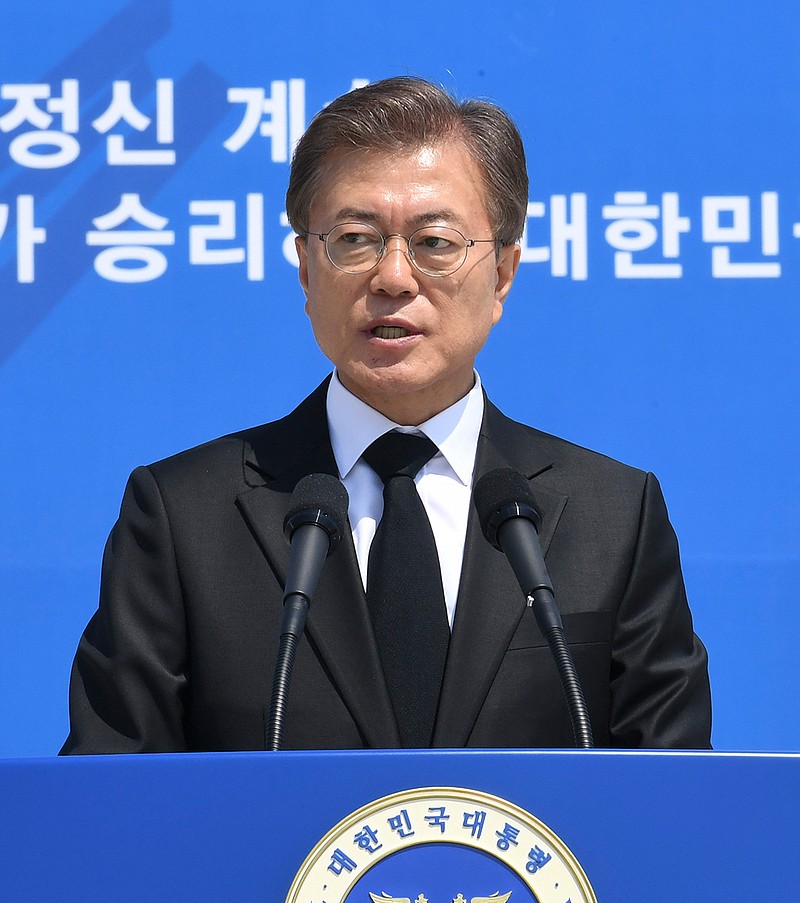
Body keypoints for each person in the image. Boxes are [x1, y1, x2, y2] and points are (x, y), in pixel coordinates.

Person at [61, 76, 711, 754]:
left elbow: (676, 810)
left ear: (505, 272)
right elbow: (111, 807)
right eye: (353, 238)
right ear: (307, 270)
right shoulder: (182, 517)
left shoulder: (615, 515)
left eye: (435, 242)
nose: (393, 278)